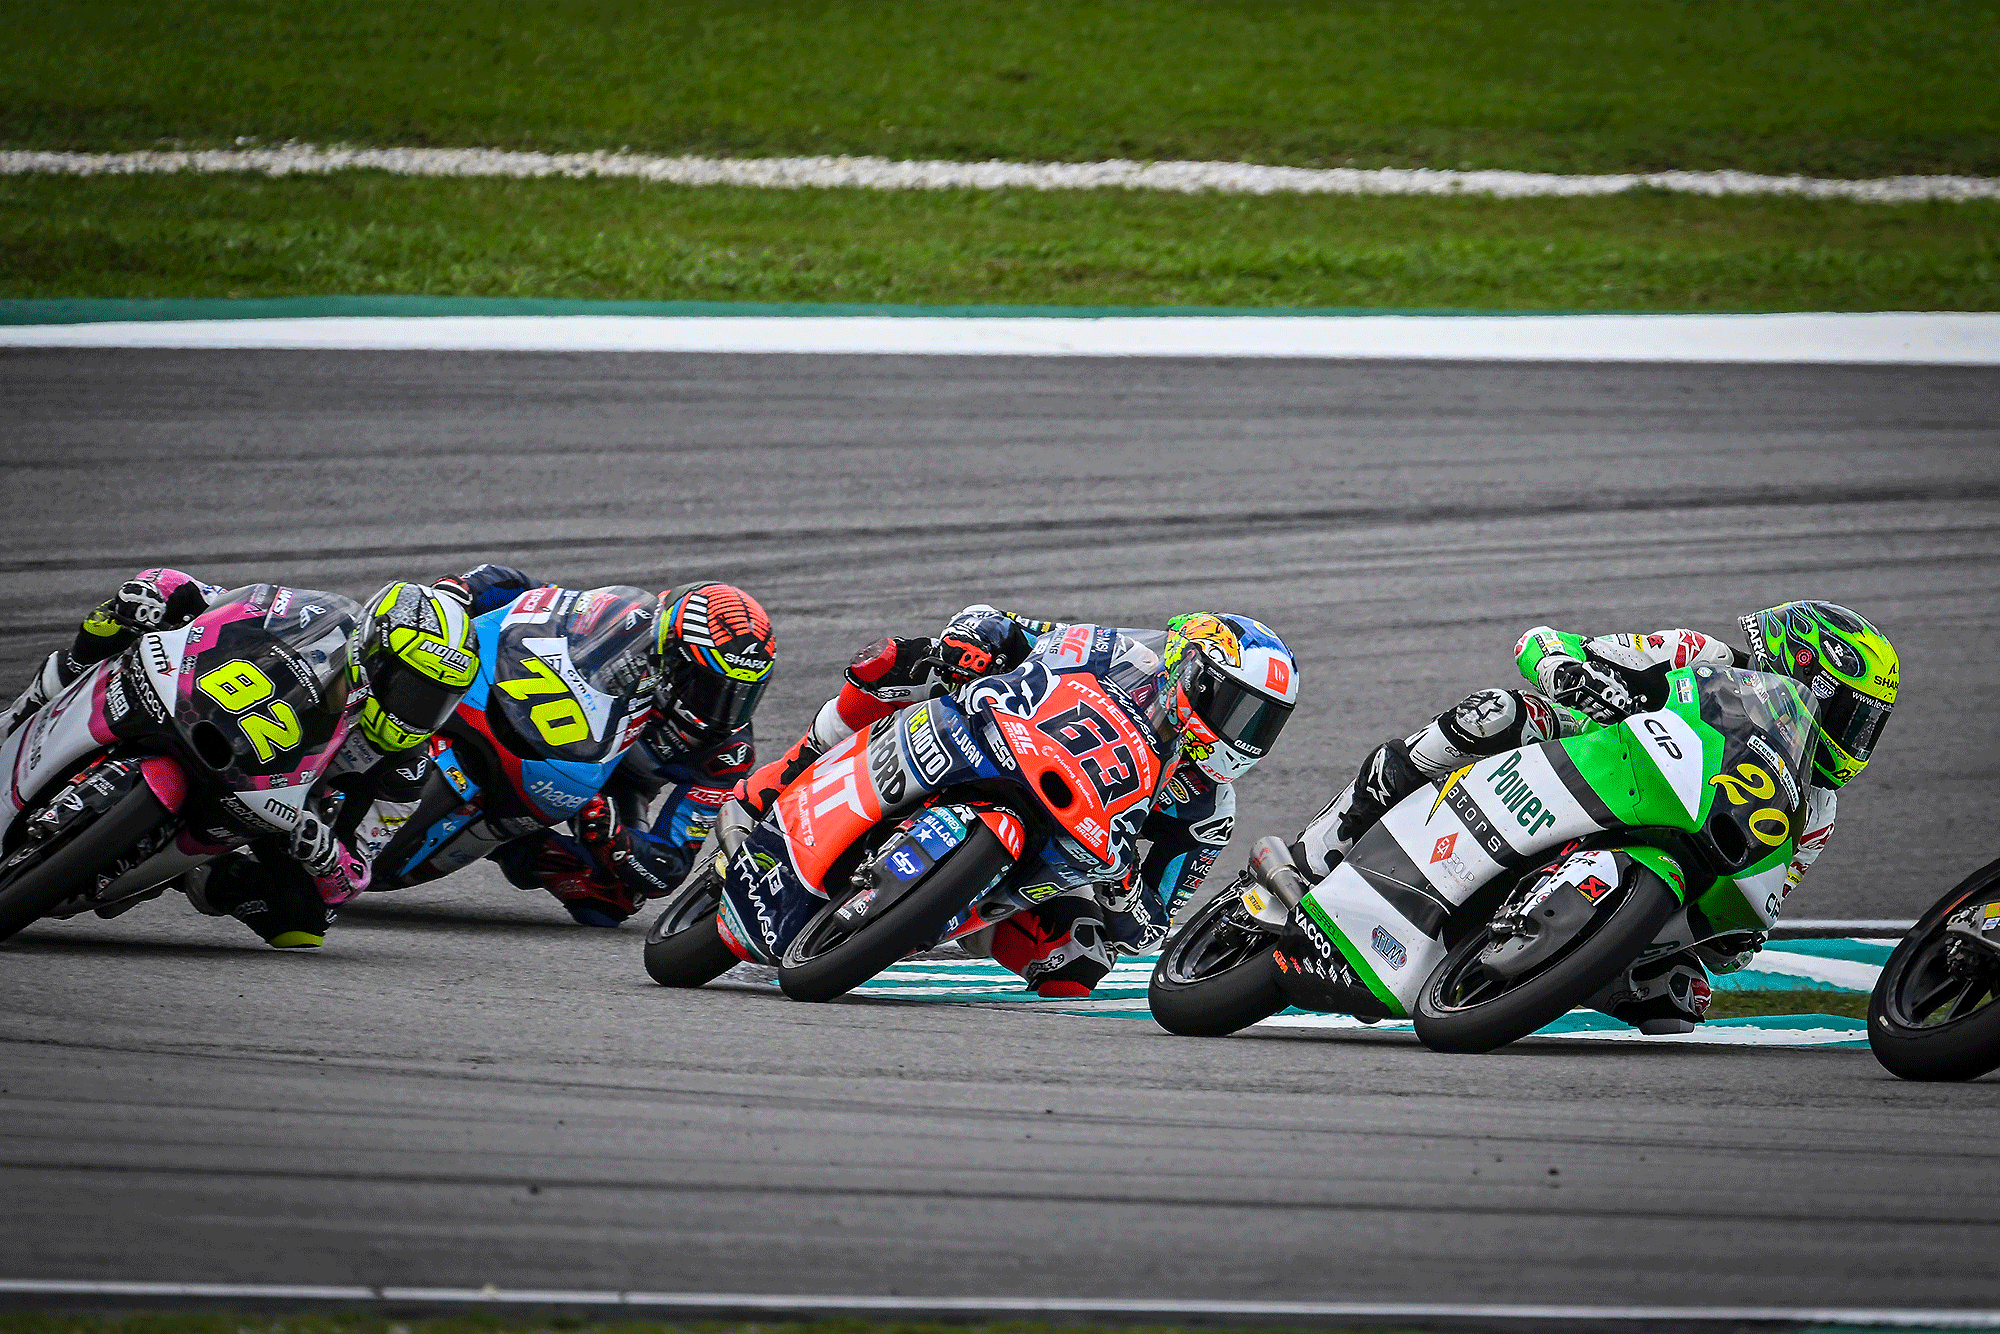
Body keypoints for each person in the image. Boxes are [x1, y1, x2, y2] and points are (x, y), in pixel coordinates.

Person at [1289, 601, 1898, 1032]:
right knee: (1495, 713)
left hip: (1665, 860)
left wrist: (1734, 935)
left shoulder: (1815, 806)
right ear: (1802, 666)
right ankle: (1330, 842)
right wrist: (1568, 669)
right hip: (1598, 759)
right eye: (1851, 715)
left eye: (1867, 726)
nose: (1855, 740)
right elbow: (1545, 643)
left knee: (1678, 1000)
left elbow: (1765, 898)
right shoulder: (1700, 655)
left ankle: (1531, 961)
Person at [736, 605, 1300, 997]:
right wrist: (975, 640)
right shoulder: (1119, 651)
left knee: (1078, 964)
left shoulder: (1208, 812)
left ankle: (927, 917)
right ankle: (784, 778)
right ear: (1193, 673)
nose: (1244, 734)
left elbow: (1153, 925)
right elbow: (1011, 628)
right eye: (1237, 709)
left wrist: (1127, 890)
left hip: (1054, 850)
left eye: (1263, 723)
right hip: (996, 739)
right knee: (897, 662)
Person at [4, 570, 480, 947]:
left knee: (305, 921)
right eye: (412, 689)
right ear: (373, 652)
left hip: (278, 807)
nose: (418, 711)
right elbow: (209, 597)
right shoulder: (313, 616)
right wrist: (155, 594)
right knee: (115, 619)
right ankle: (22, 714)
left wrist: (326, 853)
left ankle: (197, 875)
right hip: (212, 715)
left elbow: (356, 874)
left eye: (437, 700)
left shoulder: (406, 769)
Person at [434, 564, 776, 927]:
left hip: (613, 785)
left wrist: (617, 839)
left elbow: (671, 864)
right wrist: (459, 590)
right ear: (672, 660)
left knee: (614, 898)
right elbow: (528, 591)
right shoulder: (627, 620)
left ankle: (510, 843)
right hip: (550, 710)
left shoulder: (727, 755)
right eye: (712, 690)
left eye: (744, 696)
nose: (726, 712)